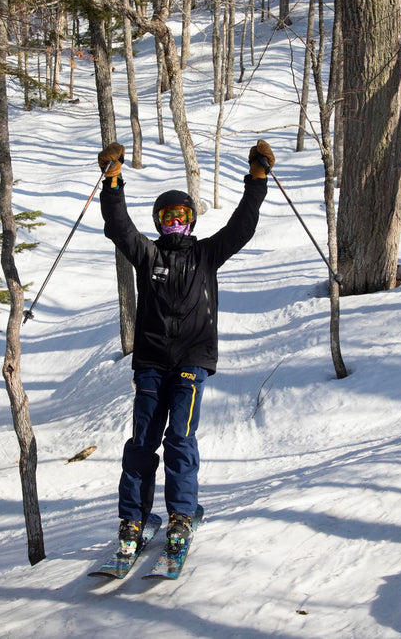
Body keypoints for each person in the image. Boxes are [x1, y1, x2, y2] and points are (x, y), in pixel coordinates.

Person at [97, 139, 274, 555]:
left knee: (180, 438)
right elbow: (118, 226)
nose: (175, 222)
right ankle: (133, 521)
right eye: (167, 217)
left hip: (192, 362)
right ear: (159, 223)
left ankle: (179, 515)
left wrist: (257, 179)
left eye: (182, 216)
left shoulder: (207, 254)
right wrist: (113, 181)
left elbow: (242, 227)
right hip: (152, 365)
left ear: (192, 220)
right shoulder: (148, 255)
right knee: (142, 441)